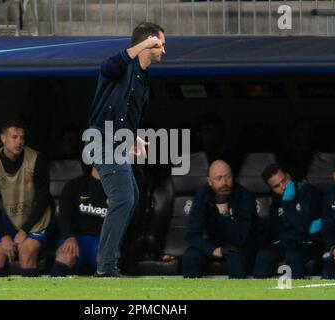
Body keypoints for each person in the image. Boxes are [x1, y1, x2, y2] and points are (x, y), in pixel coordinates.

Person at [85, 22, 166, 277]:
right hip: (102, 141)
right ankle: (106, 266)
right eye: (160, 43)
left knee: (132, 197)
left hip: (119, 143)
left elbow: (126, 115)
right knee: (123, 199)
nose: (163, 50)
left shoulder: (143, 79)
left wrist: (133, 139)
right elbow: (107, 66)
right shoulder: (121, 67)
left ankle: (113, 261)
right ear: (149, 42)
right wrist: (143, 43)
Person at [0, 119, 52, 277]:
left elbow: (44, 200)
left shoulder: (36, 159)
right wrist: (4, 235)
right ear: (3, 138)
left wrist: (24, 230)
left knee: (25, 253)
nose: (19, 141)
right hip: (10, 218)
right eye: (14, 137)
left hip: (36, 220)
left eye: (22, 137)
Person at [182, 160, 258, 278]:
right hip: (213, 244)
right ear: (210, 182)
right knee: (191, 256)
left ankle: (239, 295)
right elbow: (192, 235)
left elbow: (240, 237)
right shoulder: (202, 196)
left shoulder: (245, 197)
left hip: (239, 244)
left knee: (236, 257)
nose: (224, 183)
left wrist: (224, 213)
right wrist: (213, 249)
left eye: (228, 177)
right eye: (218, 178)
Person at [254, 164, 323, 279]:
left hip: (307, 243)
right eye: (276, 186)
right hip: (287, 242)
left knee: (293, 255)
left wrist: (288, 203)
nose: (283, 187)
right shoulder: (275, 202)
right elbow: (277, 230)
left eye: (284, 181)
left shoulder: (308, 192)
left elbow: (303, 227)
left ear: (288, 176)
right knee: (263, 255)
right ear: (271, 189)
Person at [50, 167, 108, 277]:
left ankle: (104, 294)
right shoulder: (74, 185)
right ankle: (50, 292)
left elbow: (122, 223)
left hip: (101, 241)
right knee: (65, 256)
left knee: (106, 259)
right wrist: (69, 237)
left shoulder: (119, 190)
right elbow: (63, 217)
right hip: (75, 239)